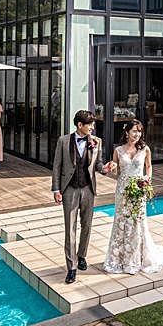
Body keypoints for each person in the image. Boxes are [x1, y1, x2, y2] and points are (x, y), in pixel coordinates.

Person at [103, 120, 163, 274]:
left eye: (139, 131)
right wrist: (111, 167)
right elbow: (115, 171)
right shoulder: (118, 150)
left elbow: (149, 166)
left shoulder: (145, 149)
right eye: (134, 131)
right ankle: (119, 259)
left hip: (139, 190)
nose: (137, 134)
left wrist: (147, 179)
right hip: (122, 191)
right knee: (121, 222)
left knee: (137, 222)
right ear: (126, 132)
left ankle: (136, 259)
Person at [51, 110, 112, 284]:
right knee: (70, 229)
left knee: (87, 225)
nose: (92, 127)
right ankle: (71, 267)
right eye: (89, 124)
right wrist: (56, 189)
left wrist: (105, 169)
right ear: (80, 125)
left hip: (88, 189)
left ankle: (82, 255)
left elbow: (98, 165)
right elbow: (57, 166)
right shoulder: (63, 141)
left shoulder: (96, 141)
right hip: (69, 189)